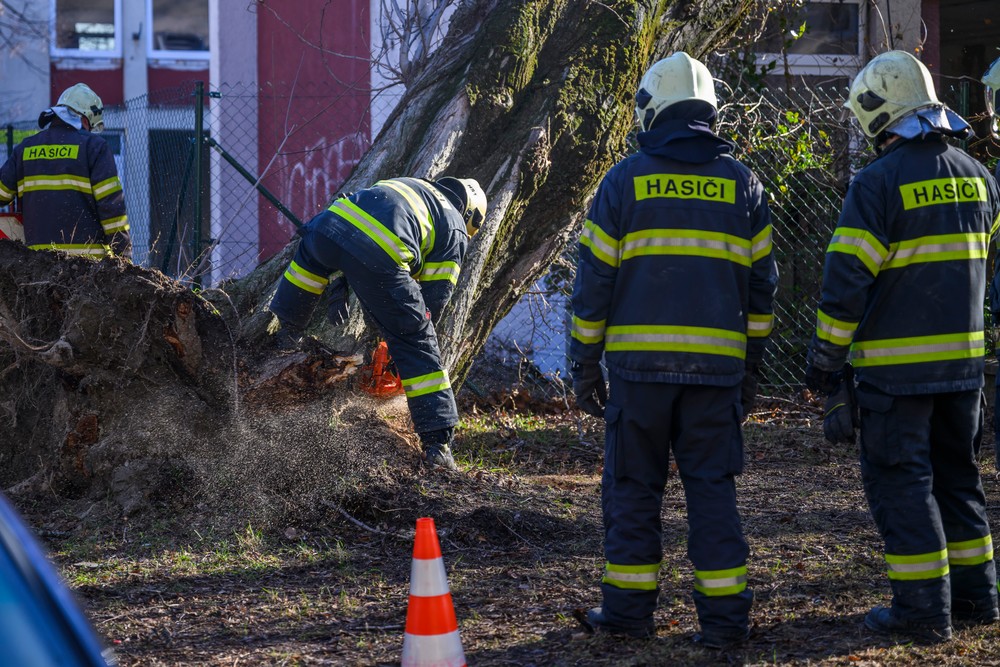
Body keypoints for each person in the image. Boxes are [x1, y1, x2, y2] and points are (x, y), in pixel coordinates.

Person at [570, 52, 777, 647]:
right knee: (713, 492)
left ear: (653, 109)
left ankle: (629, 618)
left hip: (638, 377)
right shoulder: (743, 185)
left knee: (634, 492)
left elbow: (595, 285)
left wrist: (585, 364)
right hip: (716, 377)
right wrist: (751, 367)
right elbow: (763, 290)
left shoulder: (625, 180)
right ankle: (725, 624)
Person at [804, 50, 1000, 645]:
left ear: (876, 110)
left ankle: (922, 611)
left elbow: (846, 286)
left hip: (895, 380)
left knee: (903, 485)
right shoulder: (978, 176)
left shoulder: (876, 183)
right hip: (963, 373)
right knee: (958, 480)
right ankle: (977, 598)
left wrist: (824, 366)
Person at [268, 176, 487, 471]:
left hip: (326, 228)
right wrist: (403, 340)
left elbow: (360, 230)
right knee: (419, 340)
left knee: (305, 275)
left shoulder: (409, 184)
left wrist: (339, 283)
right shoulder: (455, 225)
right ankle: (438, 445)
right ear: (471, 217)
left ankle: (284, 339)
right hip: (380, 252)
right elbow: (435, 297)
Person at [0, 83, 130, 259]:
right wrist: (124, 256)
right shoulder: (94, 147)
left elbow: (2, 194)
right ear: (85, 119)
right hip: (88, 268)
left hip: (38, 265)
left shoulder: (25, 148)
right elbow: (111, 206)